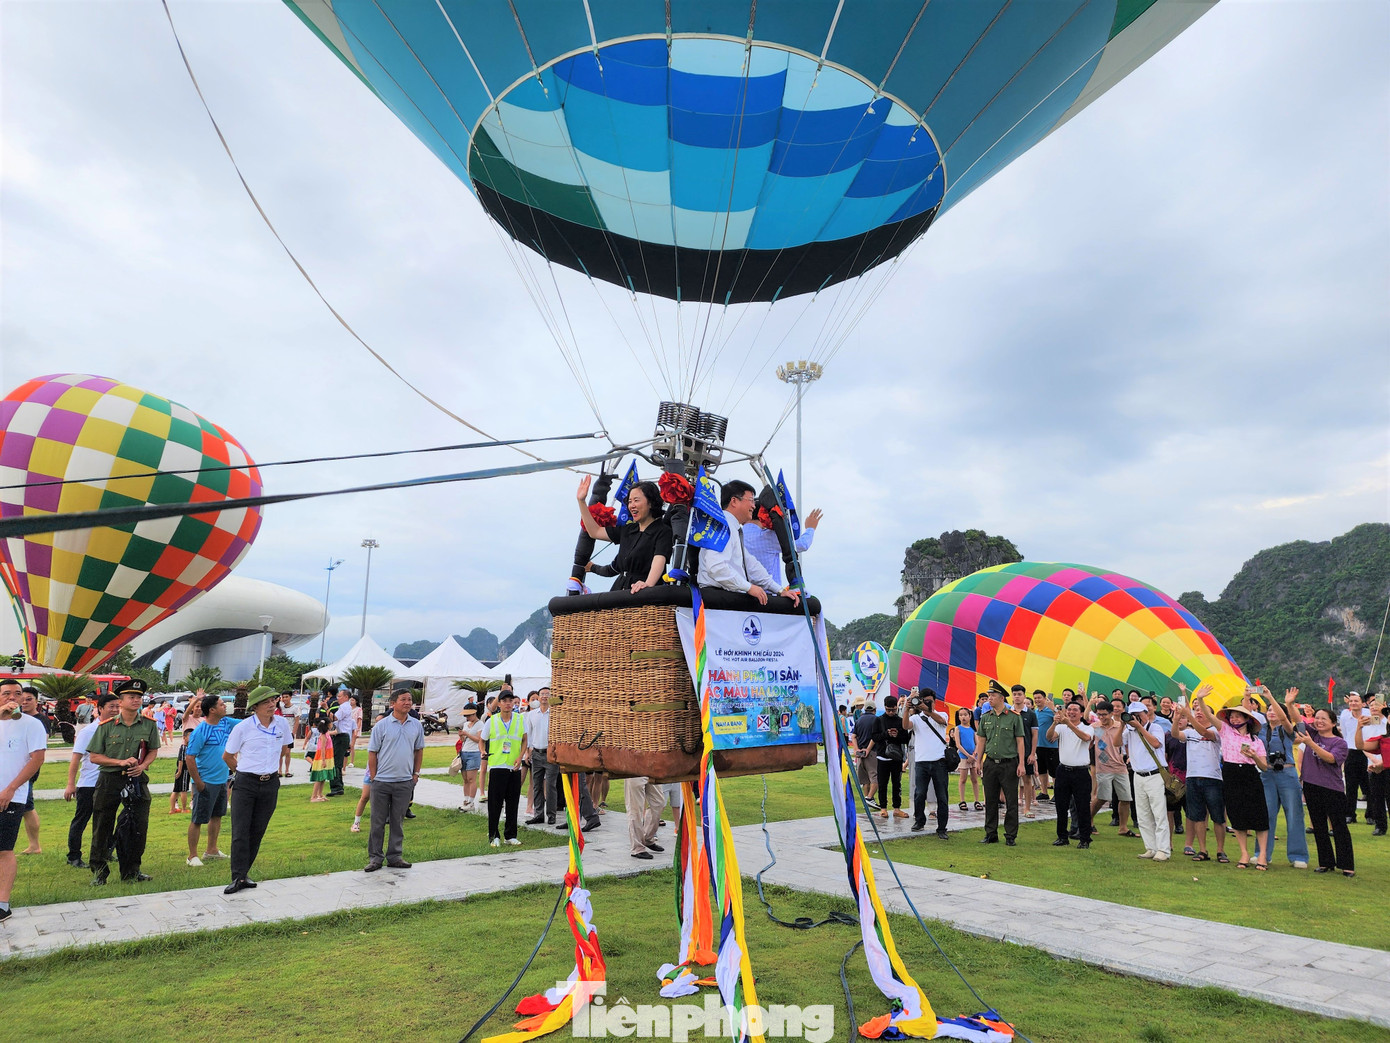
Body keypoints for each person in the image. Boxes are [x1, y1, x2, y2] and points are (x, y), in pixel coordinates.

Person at [86, 679, 160, 885]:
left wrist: (143, 766)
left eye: (139, 697)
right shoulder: (107, 726)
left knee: (137, 826)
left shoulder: (149, 724)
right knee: (102, 825)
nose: (136, 700)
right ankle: (99, 872)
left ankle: (131, 871)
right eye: (132, 697)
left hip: (136, 779)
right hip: (109, 779)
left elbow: (153, 750)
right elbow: (94, 756)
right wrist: (119, 761)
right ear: (121, 701)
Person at [222, 686, 293, 894]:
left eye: (273, 700)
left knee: (257, 831)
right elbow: (227, 756)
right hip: (246, 783)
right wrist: (242, 772)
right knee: (240, 832)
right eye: (266, 702)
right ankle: (237, 877)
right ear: (255, 707)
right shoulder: (243, 728)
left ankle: (245, 874)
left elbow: (285, 747)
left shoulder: (281, 724)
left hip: (270, 782)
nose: (272, 705)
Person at [1194, 687, 1269, 869]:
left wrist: (1254, 756)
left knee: (1259, 816)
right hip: (1231, 773)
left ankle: (1262, 857)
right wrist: (1201, 700)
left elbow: (1264, 767)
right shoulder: (1225, 731)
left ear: (1246, 719)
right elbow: (1210, 717)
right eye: (1232, 716)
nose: (1234, 719)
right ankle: (1244, 854)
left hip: (1250, 775)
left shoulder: (1256, 741)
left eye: (1238, 716)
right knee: (1237, 815)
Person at [694, 479, 802, 606]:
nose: (753, 506)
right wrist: (749, 587)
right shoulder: (723, 527)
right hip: (716, 602)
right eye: (750, 500)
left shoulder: (733, 528)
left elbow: (751, 565)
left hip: (725, 600)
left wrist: (779, 590)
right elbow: (717, 568)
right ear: (734, 501)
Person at [576, 476, 673, 592]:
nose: (632, 505)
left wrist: (648, 585)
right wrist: (581, 501)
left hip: (644, 594)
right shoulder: (627, 530)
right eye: (630, 501)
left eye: (636, 500)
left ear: (651, 503)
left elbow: (659, 561)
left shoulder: (663, 531)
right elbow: (594, 532)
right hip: (620, 592)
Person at [0, 682, 47, 922]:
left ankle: (3, 904)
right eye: (6, 693)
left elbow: (37, 759)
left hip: (10, 796)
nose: (13, 698)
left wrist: (10, 789)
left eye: (18, 694)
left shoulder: (32, 724)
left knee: (4, 849)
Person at [364, 689, 425, 872]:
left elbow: (419, 750)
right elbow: (372, 752)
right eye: (403, 699)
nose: (407, 703)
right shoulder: (382, 726)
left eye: (410, 700)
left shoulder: (416, 725)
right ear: (393, 703)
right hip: (382, 781)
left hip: (404, 781)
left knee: (398, 821)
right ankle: (375, 858)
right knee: (378, 821)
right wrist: (374, 778)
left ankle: (395, 856)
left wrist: (415, 774)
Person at [1296, 708, 1355, 876]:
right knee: (1319, 826)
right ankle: (1325, 862)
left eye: (1324, 719)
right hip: (1311, 785)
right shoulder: (1312, 734)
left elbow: (1330, 758)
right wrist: (1290, 703)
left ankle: (1347, 865)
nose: (1319, 721)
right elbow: (1295, 719)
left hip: (1332, 789)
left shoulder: (1339, 743)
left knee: (1339, 827)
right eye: (1317, 718)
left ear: (1333, 723)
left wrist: (1311, 744)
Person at [64, 689, 119, 868]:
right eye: (111, 706)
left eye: (117, 706)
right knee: (82, 819)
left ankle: (106, 851)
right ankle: (74, 856)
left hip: (110, 782)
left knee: (107, 818)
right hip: (89, 783)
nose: (115, 710)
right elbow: (75, 759)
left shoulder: (117, 728)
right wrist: (70, 784)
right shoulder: (89, 731)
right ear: (100, 708)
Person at [1254, 689, 1309, 868]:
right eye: (1268, 709)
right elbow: (1246, 717)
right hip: (1266, 774)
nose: (1271, 712)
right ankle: (1262, 853)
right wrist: (1247, 697)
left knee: (1294, 814)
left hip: (1287, 773)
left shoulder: (1287, 730)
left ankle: (1298, 855)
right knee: (1266, 815)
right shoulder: (1260, 729)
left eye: (1274, 709)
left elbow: (1286, 720)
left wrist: (1271, 697)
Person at [1172, 696, 1228, 864]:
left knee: (1218, 817)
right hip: (1192, 778)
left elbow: (1204, 733)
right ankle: (1203, 850)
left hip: (1212, 778)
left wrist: (1187, 714)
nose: (1198, 714)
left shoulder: (1217, 732)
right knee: (1197, 816)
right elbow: (1175, 734)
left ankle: (1220, 850)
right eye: (1196, 711)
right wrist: (1176, 720)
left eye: (1202, 711)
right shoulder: (1189, 732)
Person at [184, 693, 235, 867]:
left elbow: (248, 725)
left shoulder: (225, 723)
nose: (225, 706)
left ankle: (211, 850)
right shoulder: (200, 731)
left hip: (221, 780)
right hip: (205, 781)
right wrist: (198, 782)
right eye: (222, 704)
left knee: (217, 815)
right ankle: (192, 856)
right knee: (198, 818)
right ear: (212, 710)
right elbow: (189, 758)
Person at [473, 689, 527, 846]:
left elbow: (524, 740)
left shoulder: (519, 719)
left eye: (511, 700)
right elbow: (482, 740)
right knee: (495, 803)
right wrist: (483, 751)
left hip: (514, 766)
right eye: (504, 701)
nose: (508, 703)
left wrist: (520, 757)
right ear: (500, 703)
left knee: (513, 802)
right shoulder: (492, 720)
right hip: (497, 766)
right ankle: (493, 835)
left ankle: (510, 835)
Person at [974, 682, 1025, 846]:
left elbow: (1020, 742)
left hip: (1009, 763)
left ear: (1001, 698)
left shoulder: (1014, 717)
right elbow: (981, 741)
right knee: (990, 800)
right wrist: (978, 761)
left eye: (992, 695)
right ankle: (991, 833)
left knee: (1011, 801)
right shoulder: (986, 717)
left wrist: (1021, 763)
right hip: (990, 763)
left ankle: (1010, 835)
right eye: (989, 695)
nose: (989, 698)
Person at [1123, 699, 1171, 861]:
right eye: (1132, 715)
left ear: (1146, 714)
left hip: (1155, 775)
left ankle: (1163, 849)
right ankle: (1150, 847)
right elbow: (1116, 743)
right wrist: (1124, 725)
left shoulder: (1155, 727)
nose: (1136, 718)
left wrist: (1139, 727)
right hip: (1138, 775)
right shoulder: (1129, 730)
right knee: (1143, 815)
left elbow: (1156, 744)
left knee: (1159, 813)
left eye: (1138, 715)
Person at [1047, 700, 1094, 848]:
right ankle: (1062, 836)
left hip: (1080, 772)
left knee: (1082, 806)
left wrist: (1069, 724)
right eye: (1069, 709)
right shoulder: (1061, 727)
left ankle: (1084, 838)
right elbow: (1049, 737)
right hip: (1063, 770)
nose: (1072, 712)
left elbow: (1086, 738)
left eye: (1075, 710)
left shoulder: (1088, 727)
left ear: (1081, 713)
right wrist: (1055, 723)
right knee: (1061, 806)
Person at [906, 688, 951, 837]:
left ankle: (942, 828)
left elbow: (942, 721)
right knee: (919, 793)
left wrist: (928, 710)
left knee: (942, 796)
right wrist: (907, 708)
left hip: (939, 762)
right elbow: (905, 726)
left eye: (929, 701)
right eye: (923, 700)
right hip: (921, 761)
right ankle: (919, 821)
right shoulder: (916, 718)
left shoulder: (941, 714)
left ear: (934, 701)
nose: (925, 703)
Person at [744, 506, 823, 586]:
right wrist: (810, 528)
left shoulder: (736, 534)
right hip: (769, 593)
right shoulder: (767, 536)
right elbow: (802, 544)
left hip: (741, 592)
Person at [1090, 699, 1133, 838]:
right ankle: (1088, 821)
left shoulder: (1121, 726)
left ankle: (1123, 827)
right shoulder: (1095, 727)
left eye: (1104, 714)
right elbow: (1087, 742)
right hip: (1103, 768)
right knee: (1102, 797)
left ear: (1111, 713)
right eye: (1099, 714)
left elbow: (1127, 744)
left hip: (1120, 767)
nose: (1102, 717)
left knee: (1125, 798)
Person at [866, 695, 909, 820]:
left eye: (893, 710)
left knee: (897, 783)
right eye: (888, 710)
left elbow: (906, 739)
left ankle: (897, 808)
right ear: (884, 707)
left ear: (896, 708)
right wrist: (886, 734)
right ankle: (883, 808)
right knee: (882, 783)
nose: (891, 712)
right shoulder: (878, 720)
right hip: (882, 757)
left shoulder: (900, 720)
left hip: (896, 757)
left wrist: (897, 735)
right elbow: (874, 737)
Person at [1353, 698, 1389, 837]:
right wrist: (1374, 760)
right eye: (1371, 705)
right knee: (1376, 797)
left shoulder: (1387, 722)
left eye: (1377, 705)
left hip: (1386, 764)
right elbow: (1363, 745)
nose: (1373, 707)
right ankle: (1380, 826)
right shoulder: (1368, 724)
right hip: (1374, 765)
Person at [17, 687, 46, 855]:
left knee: (27, 807)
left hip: (27, 769)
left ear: (36, 701)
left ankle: (35, 845)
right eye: (23, 698)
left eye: (29, 699)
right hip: (14, 769)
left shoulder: (39, 720)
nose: (25, 702)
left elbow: (38, 750)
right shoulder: (18, 718)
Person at [1338, 692, 1373, 822]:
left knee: (1369, 786)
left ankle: (1371, 815)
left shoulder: (1369, 714)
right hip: (1351, 752)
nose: (1353, 703)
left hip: (1367, 751)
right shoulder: (1345, 715)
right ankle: (1350, 814)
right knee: (1351, 786)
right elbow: (1345, 735)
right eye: (1351, 701)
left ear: (1363, 703)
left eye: (1356, 701)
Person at [524, 688, 555, 825]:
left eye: (547, 694)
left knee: (550, 786)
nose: (544, 697)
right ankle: (538, 814)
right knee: (536, 785)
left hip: (550, 754)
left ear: (550, 697)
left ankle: (551, 814)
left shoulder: (554, 714)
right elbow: (529, 734)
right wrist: (528, 751)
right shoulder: (531, 715)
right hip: (536, 753)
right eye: (542, 694)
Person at [1009, 686, 1039, 817]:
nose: (1017, 696)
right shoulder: (1007, 712)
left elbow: (1035, 735)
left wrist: (1032, 753)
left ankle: (1027, 808)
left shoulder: (1031, 714)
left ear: (1024, 695)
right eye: (1014, 694)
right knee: (1009, 781)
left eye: (1019, 694)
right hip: (1010, 752)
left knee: (1027, 780)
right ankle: (1011, 808)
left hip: (1026, 752)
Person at [625, 775, 666, 860]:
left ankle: (647, 838)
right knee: (635, 809)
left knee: (659, 803)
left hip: (651, 769)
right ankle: (637, 848)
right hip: (633, 770)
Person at [950, 707, 981, 812]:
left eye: (965, 715)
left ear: (970, 716)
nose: (963, 717)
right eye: (961, 715)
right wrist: (968, 755)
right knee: (963, 779)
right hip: (964, 757)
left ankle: (977, 800)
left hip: (973, 757)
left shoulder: (972, 729)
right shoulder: (958, 728)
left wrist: (974, 755)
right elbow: (958, 744)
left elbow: (977, 743)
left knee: (975, 779)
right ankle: (962, 800)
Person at [850, 704, 879, 807]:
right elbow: (875, 737)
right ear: (874, 710)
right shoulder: (876, 719)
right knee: (875, 777)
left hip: (860, 753)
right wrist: (868, 749)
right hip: (871, 752)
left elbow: (853, 736)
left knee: (865, 780)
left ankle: (866, 801)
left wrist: (856, 749)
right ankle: (869, 798)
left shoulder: (859, 720)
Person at [329, 688, 355, 797]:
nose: (338, 698)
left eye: (340, 696)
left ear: (346, 697)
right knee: (336, 761)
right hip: (341, 735)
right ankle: (338, 785)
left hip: (341, 735)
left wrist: (327, 709)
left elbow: (334, 717)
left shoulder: (344, 707)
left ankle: (337, 787)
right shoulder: (344, 707)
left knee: (336, 762)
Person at [1032, 691, 1057, 802]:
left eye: (1039, 698)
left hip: (1051, 746)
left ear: (1044, 698)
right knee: (1042, 770)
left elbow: (1061, 719)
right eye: (1035, 698)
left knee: (1054, 771)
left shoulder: (1051, 711)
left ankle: (1057, 793)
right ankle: (1044, 792)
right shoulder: (1034, 712)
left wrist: (1053, 709)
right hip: (1038, 745)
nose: (1037, 700)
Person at [456, 707, 483, 811]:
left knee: (471, 779)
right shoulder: (465, 724)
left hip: (474, 753)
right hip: (464, 752)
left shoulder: (480, 724)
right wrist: (461, 736)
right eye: (466, 715)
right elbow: (463, 740)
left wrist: (467, 733)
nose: (467, 717)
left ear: (474, 713)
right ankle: (466, 800)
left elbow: (479, 740)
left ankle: (471, 802)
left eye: (469, 715)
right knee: (465, 779)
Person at [308, 718, 334, 802]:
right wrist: (323, 760)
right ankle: (314, 796)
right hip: (322, 758)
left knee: (323, 777)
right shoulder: (323, 736)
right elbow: (322, 748)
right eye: (331, 723)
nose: (332, 724)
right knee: (319, 778)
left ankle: (320, 794)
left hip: (328, 757)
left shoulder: (326, 734)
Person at [169, 727, 193, 814]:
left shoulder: (189, 747)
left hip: (183, 771)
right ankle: (183, 808)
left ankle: (172, 809)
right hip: (184, 771)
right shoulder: (184, 747)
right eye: (190, 736)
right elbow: (181, 760)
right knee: (183, 790)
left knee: (176, 790)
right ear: (184, 737)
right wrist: (179, 771)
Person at [278, 692, 295, 777]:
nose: (285, 699)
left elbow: (297, 721)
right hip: (280, 733)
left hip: (290, 732)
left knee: (288, 752)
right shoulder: (280, 708)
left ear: (290, 697)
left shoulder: (295, 708)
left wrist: (293, 732)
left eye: (286, 697)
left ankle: (287, 770)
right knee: (280, 752)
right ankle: (279, 770)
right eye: (283, 697)